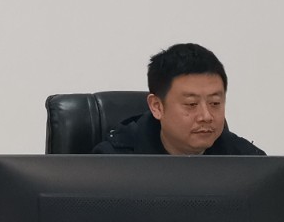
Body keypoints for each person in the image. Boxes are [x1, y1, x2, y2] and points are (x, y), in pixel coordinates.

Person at [93, 42, 263, 156]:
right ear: (157, 107)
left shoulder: (248, 162)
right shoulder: (113, 164)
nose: (206, 116)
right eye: (191, 104)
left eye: (215, 103)